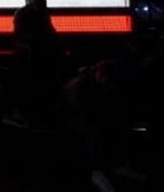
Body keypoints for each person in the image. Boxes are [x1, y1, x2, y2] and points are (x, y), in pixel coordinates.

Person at [59, 58, 147, 192]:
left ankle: (120, 165)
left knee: (121, 127)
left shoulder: (107, 82)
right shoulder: (79, 86)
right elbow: (80, 110)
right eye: (105, 78)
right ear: (98, 73)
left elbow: (112, 103)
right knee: (95, 131)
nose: (107, 82)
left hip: (90, 113)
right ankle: (97, 172)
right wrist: (104, 119)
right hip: (67, 115)